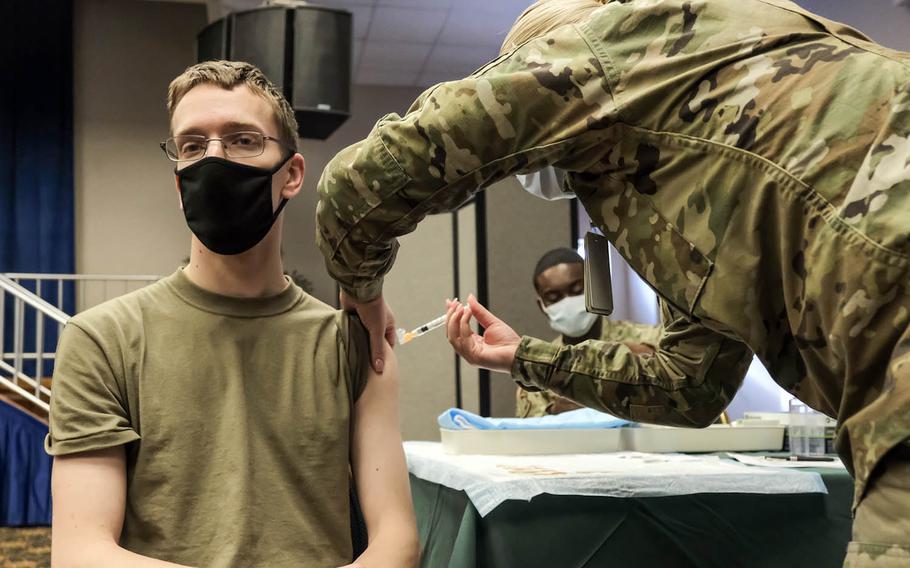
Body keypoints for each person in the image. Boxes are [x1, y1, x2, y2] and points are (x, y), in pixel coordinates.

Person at [314, 0, 910, 564]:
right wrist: (522, 355)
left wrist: (360, 295)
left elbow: (358, 186)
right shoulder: (690, 149)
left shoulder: (605, 52)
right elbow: (693, 383)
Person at [46, 61, 418, 568]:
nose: (213, 160)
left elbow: (396, 542)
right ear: (179, 184)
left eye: (243, 140)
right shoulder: (101, 340)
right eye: (193, 146)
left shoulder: (353, 342)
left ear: (291, 175)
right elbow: (80, 551)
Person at [518, 247, 660, 417]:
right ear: (542, 307)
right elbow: (530, 435)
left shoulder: (651, 339)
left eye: (577, 290)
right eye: (554, 298)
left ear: (595, 288)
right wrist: (558, 414)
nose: (568, 301)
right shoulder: (537, 366)